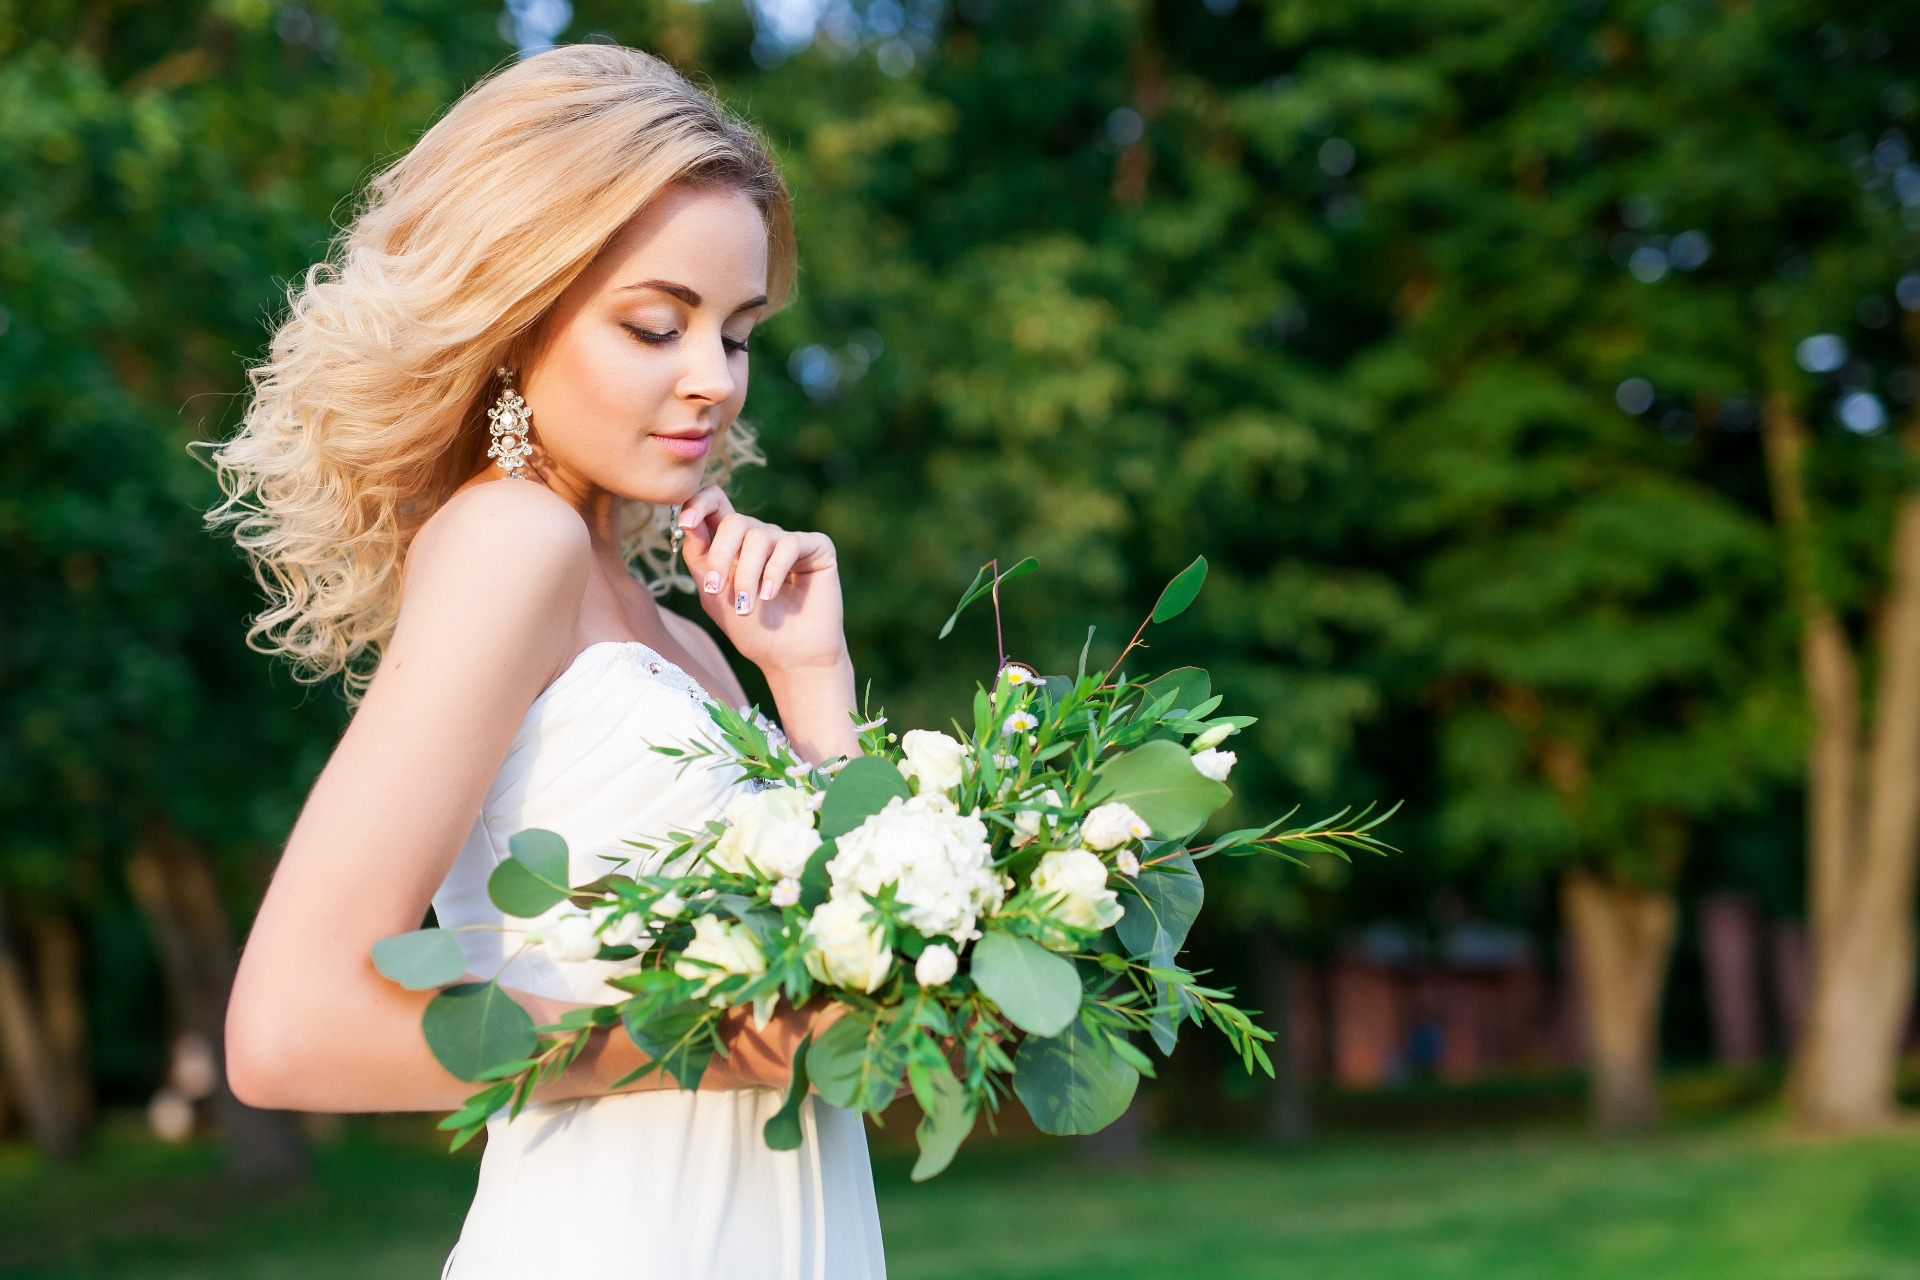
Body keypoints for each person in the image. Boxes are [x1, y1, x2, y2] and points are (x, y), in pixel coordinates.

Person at [213, 45, 886, 1279]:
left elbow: (854, 979)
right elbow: (287, 1026)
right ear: (520, 318)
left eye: (736, 336)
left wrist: (811, 685)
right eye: (655, 323)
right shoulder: (507, 540)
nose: (712, 383)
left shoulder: (686, 638)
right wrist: (707, 1037)